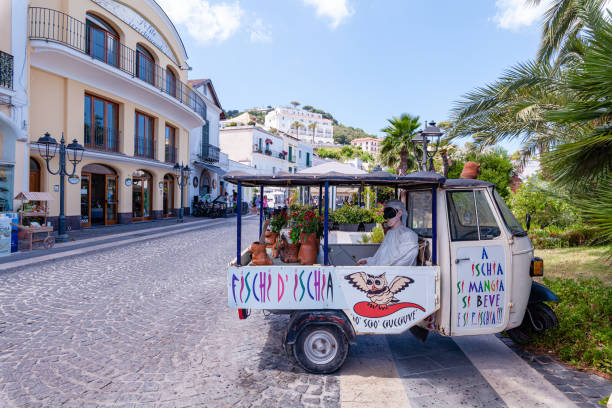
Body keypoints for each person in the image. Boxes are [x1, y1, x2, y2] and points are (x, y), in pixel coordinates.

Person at [356, 199, 419, 266]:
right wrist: (367, 261)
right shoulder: (390, 233)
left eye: (390, 213)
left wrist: (386, 269)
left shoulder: (408, 235)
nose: (387, 218)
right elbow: (379, 258)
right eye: (386, 214)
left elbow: (407, 259)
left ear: (399, 213)